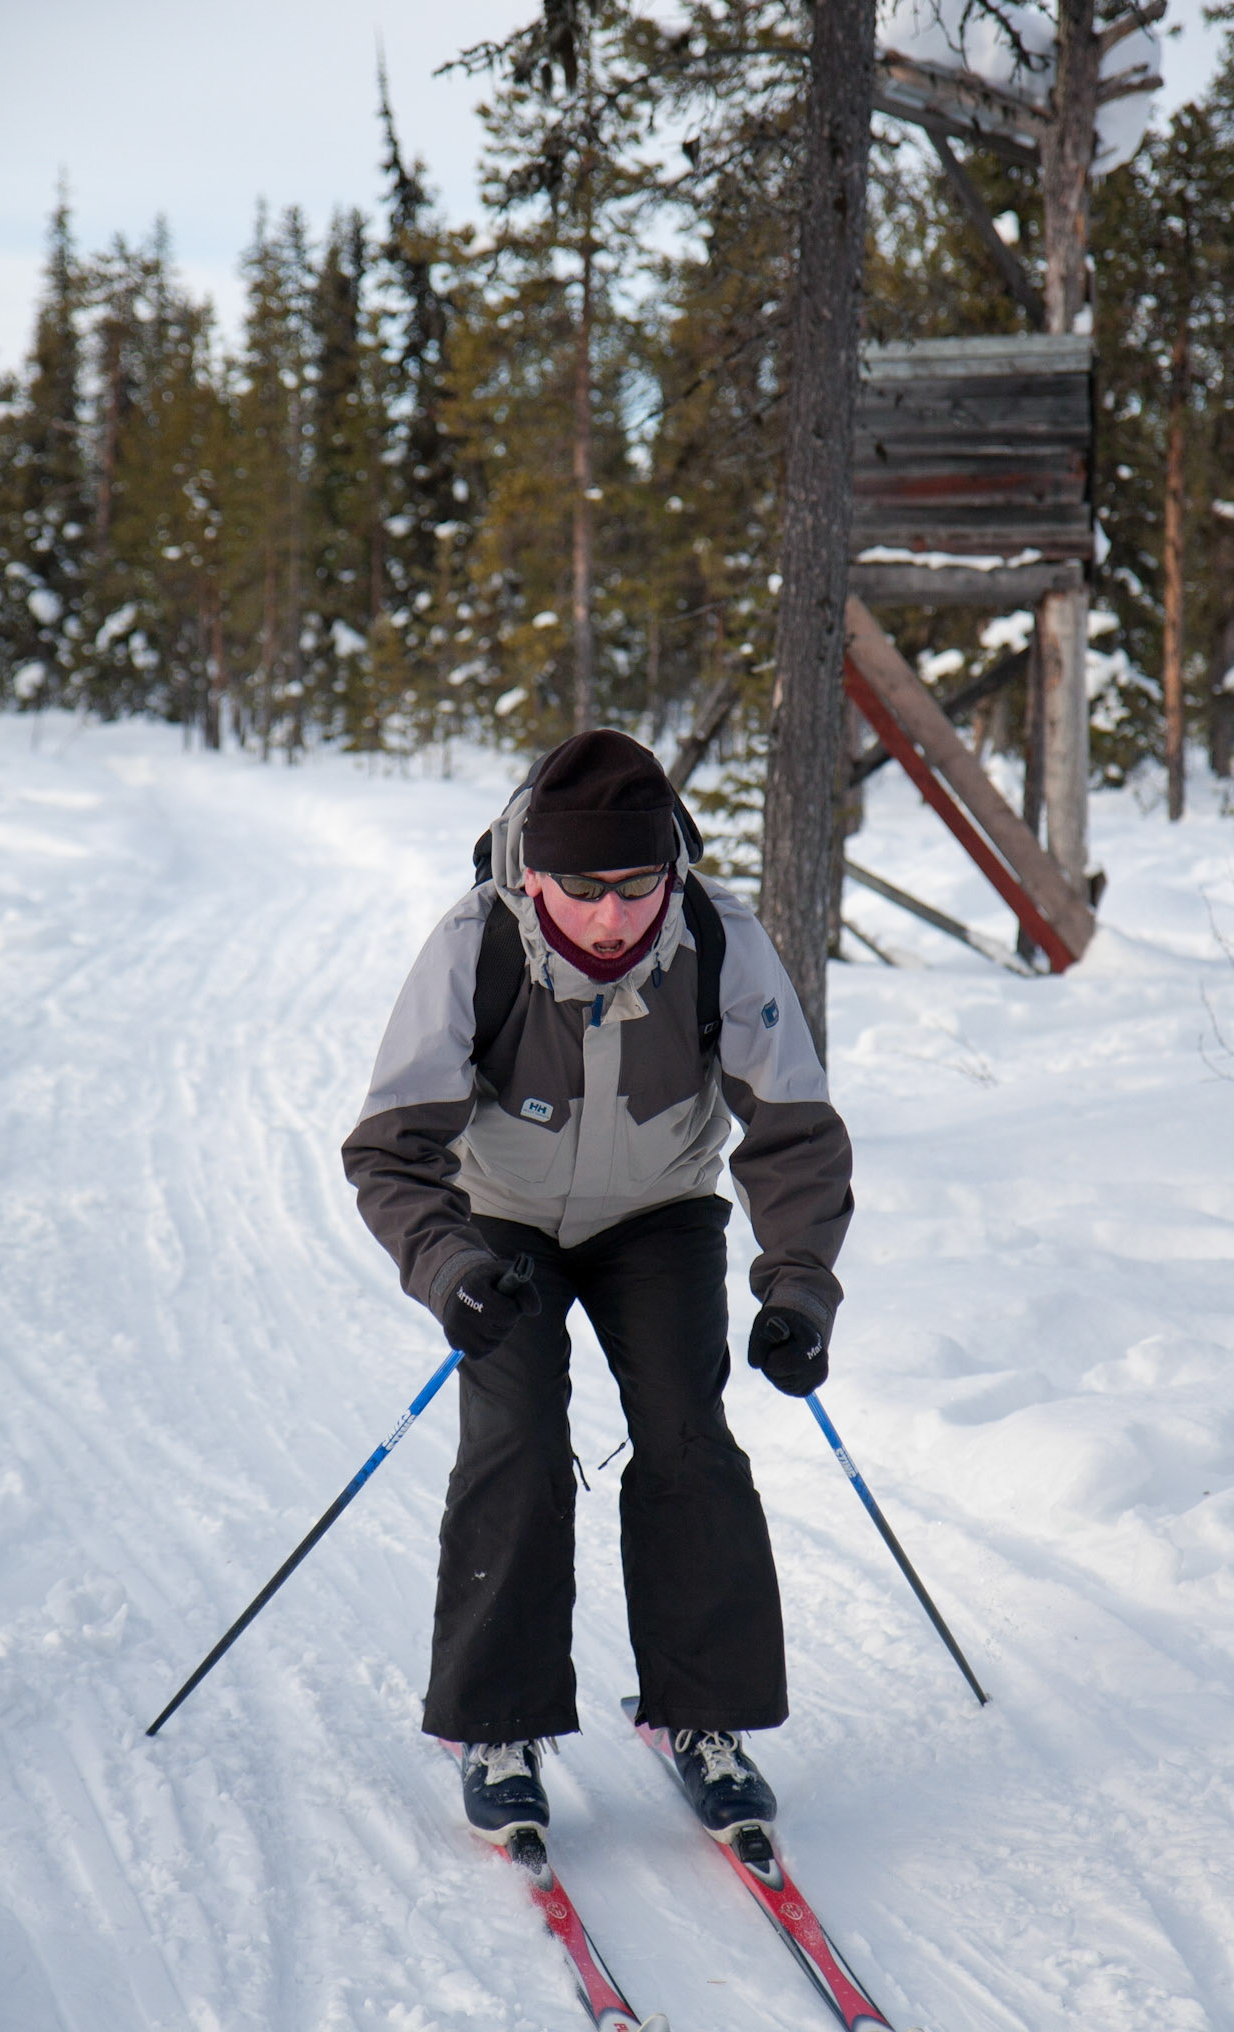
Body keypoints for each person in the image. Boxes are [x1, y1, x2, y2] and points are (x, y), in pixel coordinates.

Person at [342, 729, 852, 1845]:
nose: (613, 914)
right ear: (534, 874)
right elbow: (388, 1149)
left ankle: (703, 1718)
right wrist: (453, 1269)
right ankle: (496, 1723)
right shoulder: (476, 944)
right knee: (516, 1441)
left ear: (669, 866)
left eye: (636, 884)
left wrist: (799, 1289)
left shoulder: (721, 939)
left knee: (686, 1436)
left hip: (656, 1214)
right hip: (503, 1224)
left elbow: (796, 1135)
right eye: (581, 887)